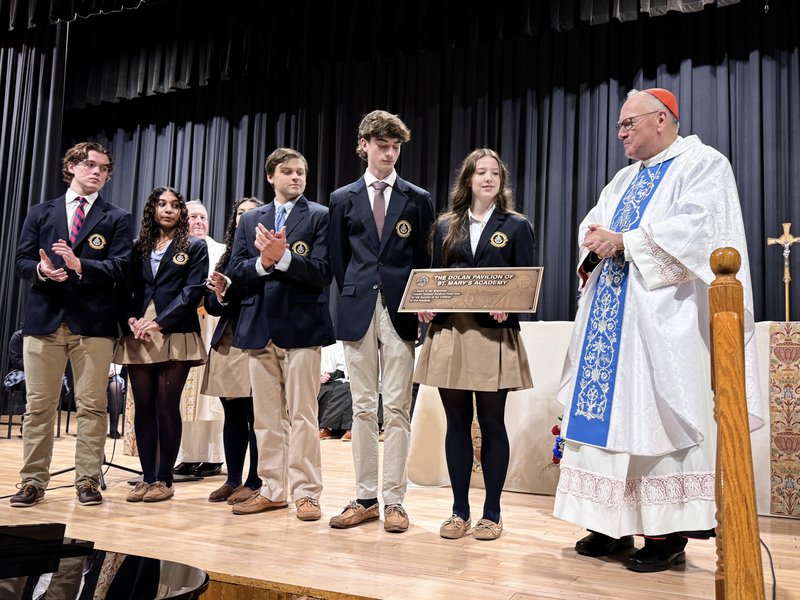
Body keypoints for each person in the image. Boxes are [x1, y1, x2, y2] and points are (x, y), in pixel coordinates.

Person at [553, 88, 762, 572]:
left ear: (663, 120)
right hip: (611, 325)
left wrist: (625, 241)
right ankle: (609, 524)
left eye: (630, 123)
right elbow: (595, 226)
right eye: (620, 126)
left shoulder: (703, 164)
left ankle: (666, 536)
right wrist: (594, 244)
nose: (621, 133)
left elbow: (700, 232)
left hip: (663, 325)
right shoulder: (624, 178)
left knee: (654, 421)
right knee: (608, 428)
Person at [415, 148, 535, 541]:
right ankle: (459, 511)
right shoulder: (447, 224)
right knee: (457, 424)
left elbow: (525, 282)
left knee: (493, 422)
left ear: (502, 181)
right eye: (480, 172)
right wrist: (425, 307)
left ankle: (493, 513)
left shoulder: (516, 226)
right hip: (451, 333)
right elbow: (432, 277)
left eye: (495, 173)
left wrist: (510, 309)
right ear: (467, 179)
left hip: (493, 335)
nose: (488, 178)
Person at [328, 109, 435, 533]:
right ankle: (365, 496)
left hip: (401, 311)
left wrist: (417, 300)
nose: (390, 153)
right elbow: (339, 260)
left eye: (396, 147)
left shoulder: (417, 198)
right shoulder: (342, 198)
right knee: (362, 406)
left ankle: (395, 500)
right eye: (382, 146)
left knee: (396, 407)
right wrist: (356, 292)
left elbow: (424, 261)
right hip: (357, 308)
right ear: (364, 145)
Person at [11, 142, 133, 508]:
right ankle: (33, 482)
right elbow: (21, 260)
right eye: (90, 165)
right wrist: (40, 270)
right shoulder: (40, 212)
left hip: (93, 324)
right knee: (39, 407)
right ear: (72, 167)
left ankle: (88, 481)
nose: (97, 172)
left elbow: (122, 267)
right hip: (44, 321)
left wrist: (82, 266)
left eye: (104, 168)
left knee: (93, 406)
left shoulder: (116, 217)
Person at [228, 148, 334, 521]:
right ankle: (272, 490)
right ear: (271, 176)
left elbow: (323, 272)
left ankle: (306, 493)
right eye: (288, 172)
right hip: (259, 327)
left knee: (304, 415)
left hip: (303, 328)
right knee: (266, 417)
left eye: (301, 172)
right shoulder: (251, 219)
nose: (296, 178)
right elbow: (236, 271)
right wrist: (263, 262)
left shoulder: (320, 215)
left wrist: (285, 258)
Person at [115, 186, 209, 503]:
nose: (168, 209)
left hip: (176, 332)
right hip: (137, 333)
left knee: (166, 406)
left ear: (181, 211)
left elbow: (192, 291)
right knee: (143, 407)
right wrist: (131, 320)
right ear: (151, 209)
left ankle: (165, 480)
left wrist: (159, 322)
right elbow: (122, 290)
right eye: (161, 204)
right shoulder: (135, 247)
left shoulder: (194, 247)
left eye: (174, 205)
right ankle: (147, 477)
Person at [202, 196, 264, 504]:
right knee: (233, 415)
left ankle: (255, 480)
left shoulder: (269, 253)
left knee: (257, 416)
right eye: (240, 213)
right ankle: (233, 478)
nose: (244, 218)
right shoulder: (226, 256)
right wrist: (223, 295)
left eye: (252, 213)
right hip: (228, 340)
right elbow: (212, 304)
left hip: (258, 339)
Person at [172, 200, 226, 478]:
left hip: (212, 328)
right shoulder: (176, 249)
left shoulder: (220, 251)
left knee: (211, 399)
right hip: (184, 327)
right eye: (192, 216)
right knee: (184, 399)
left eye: (203, 217)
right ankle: (189, 456)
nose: (199, 222)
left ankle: (213, 456)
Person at [317, 341, 352, 440]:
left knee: (338, 390)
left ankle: (328, 427)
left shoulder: (339, 345)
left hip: (338, 379)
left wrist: (330, 376)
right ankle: (323, 426)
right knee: (322, 389)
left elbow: (341, 371)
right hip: (322, 378)